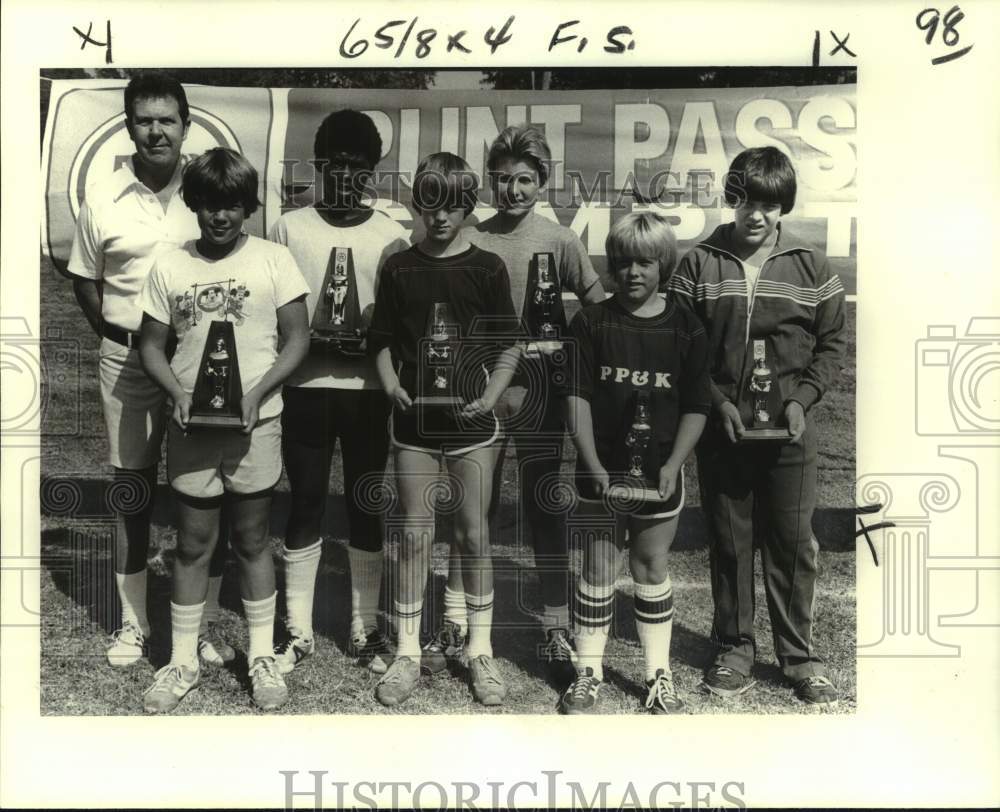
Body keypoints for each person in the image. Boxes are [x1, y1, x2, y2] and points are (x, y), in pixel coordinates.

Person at [423, 124, 604, 686]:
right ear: (489, 183)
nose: (514, 191)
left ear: (543, 182)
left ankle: (552, 622)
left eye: (525, 180)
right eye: (503, 180)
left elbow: (598, 307)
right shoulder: (472, 234)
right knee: (468, 508)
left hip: (542, 391)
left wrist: (568, 344)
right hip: (479, 389)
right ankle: (455, 619)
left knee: (545, 504)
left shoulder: (560, 239)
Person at [667, 146, 847, 707]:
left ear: (783, 207)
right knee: (729, 539)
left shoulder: (812, 266)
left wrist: (802, 401)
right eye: (745, 201)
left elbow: (832, 346)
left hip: (790, 432)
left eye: (769, 205)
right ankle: (734, 648)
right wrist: (715, 400)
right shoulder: (698, 262)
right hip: (722, 431)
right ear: (730, 198)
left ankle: (799, 658)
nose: (756, 215)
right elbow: (681, 345)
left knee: (792, 542)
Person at [67, 72, 233, 668]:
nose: (155, 130)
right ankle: (134, 624)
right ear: (128, 125)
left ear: (186, 124)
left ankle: (206, 623)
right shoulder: (104, 196)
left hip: (200, 364)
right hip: (129, 359)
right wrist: (123, 339)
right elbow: (85, 279)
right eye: (144, 119)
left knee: (206, 493)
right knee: (131, 491)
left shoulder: (209, 188)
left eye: (167, 119)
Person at [137, 148, 310, 712]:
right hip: (192, 426)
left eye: (231, 205)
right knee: (191, 545)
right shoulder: (170, 264)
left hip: (255, 425)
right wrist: (178, 393)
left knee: (253, 539)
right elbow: (150, 345)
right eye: (209, 204)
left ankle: (261, 656)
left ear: (248, 207)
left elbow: (298, 339)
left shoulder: (274, 259)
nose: (219, 216)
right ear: (193, 205)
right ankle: (182, 660)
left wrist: (258, 393)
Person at [367, 153, 521, 707]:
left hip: (474, 427)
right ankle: (407, 651)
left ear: (468, 207)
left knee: (473, 534)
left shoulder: (487, 267)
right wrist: (389, 386)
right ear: (416, 205)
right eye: (430, 203)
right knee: (413, 535)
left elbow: (509, 344)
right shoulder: (399, 267)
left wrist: (491, 393)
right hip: (414, 426)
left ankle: (479, 648)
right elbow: (381, 338)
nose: (441, 216)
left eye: (454, 205)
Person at [268, 110, 409, 676]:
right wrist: (307, 341)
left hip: (368, 390)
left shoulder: (391, 237)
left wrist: (370, 341)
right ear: (318, 166)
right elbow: (274, 312)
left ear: (373, 170)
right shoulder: (287, 227)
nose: (346, 174)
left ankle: (365, 624)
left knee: (365, 504)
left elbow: (396, 323)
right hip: (304, 386)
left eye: (358, 165)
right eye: (334, 164)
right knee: (303, 501)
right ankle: (297, 629)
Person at [560, 212, 710, 714]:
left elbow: (697, 405)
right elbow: (576, 399)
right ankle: (588, 672)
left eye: (645, 262)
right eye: (622, 262)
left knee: (650, 564)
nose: (633, 273)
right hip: (600, 470)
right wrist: (593, 465)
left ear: (663, 264)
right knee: (599, 564)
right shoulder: (591, 321)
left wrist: (674, 466)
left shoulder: (686, 327)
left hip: (658, 472)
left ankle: (656, 674)